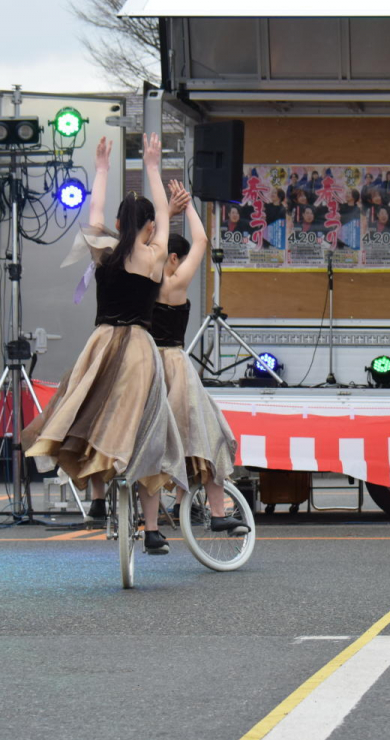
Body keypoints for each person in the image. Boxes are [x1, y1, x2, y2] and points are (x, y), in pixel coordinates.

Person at [22, 133, 186, 554]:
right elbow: (166, 222)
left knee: (88, 412)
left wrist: (101, 167)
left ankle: (96, 499)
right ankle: (151, 529)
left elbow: (92, 212)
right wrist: (152, 166)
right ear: (149, 226)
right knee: (149, 428)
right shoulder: (153, 256)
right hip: (138, 350)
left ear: (118, 224)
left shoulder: (106, 252)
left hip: (101, 342)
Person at [138, 181, 250, 540]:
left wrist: (160, 218)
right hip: (174, 364)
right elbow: (201, 241)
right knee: (205, 434)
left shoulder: (141, 279)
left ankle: (152, 528)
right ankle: (217, 513)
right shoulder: (175, 284)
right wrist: (186, 207)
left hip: (142, 364)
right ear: (174, 258)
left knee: (151, 442)